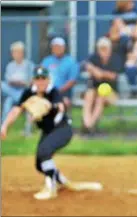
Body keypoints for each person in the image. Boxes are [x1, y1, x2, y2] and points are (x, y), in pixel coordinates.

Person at [1, 67, 79, 200]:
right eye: (38, 78)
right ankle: (62, 181)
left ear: (48, 80)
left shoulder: (53, 91)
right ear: (33, 80)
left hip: (63, 129)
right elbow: (16, 110)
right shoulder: (28, 93)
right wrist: (4, 126)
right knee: (39, 164)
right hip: (48, 131)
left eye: (44, 78)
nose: (41, 81)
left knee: (44, 151)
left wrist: (48, 106)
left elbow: (60, 105)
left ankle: (51, 187)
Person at [82, 37, 123, 133]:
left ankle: (90, 125)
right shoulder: (94, 57)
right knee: (89, 94)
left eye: (105, 48)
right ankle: (87, 122)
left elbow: (113, 76)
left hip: (111, 91)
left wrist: (100, 73)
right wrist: (93, 69)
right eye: (101, 48)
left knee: (101, 96)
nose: (103, 51)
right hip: (95, 89)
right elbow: (85, 64)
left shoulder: (115, 59)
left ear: (110, 49)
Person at [41, 37, 79, 108]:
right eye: (55, 47)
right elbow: (40, 76)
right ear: (52, 48)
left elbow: (72, 81)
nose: (57, 49)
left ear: (64, 47)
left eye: (59, 47)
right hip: (45, 90)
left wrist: (56, 92)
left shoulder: (71, 62)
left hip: (63, 92)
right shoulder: (46, 61)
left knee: (63, 102)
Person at [2, 41, 34, 123]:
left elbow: (32, 82)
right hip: (12, 89)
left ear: (23, 53)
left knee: (8, 101)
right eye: (14, 52)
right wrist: (15, 82)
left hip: (24, 90)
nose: (16, 54)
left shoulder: (29, 65)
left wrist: (23, 83)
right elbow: (8, 81)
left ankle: (2, 126)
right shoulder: (10, 66)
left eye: (19, 52)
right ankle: (3, 125)